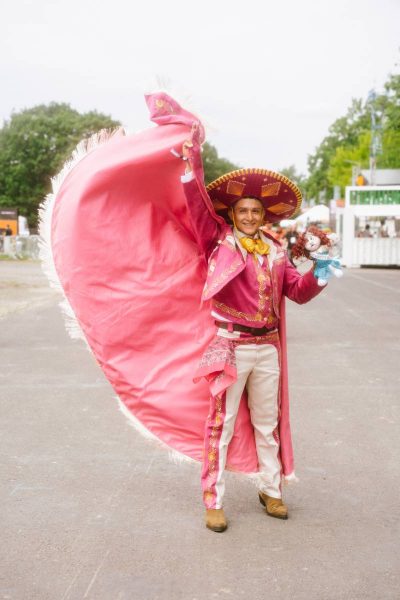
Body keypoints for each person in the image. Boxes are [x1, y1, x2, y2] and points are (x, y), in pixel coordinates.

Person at [181, 139, 327, 532]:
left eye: (255, 211)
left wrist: (321, 272)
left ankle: (271, 490)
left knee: (268, 424)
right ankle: (214, 498)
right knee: (221, 425)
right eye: (242, 210)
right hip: (230, 346)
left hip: (267, 348)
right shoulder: (217, 241)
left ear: (264, 215)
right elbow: (196, 209)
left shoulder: (277, 249)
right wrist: (189, 161)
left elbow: (296, 291)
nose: (248, 216)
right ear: (233, 213)